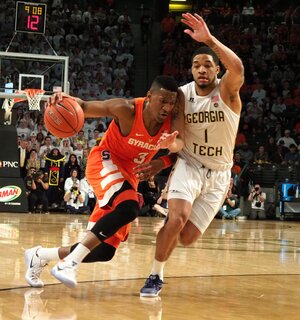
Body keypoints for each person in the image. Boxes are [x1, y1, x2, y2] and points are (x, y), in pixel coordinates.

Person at [24, 75, 185, 288]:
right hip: (104, 161)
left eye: (171, 102)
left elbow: (179, 149)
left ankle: (39, 255)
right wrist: (62, 99)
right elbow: (83, 106)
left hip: (129, 176)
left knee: (103, 251)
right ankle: (69, 264)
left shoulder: (171, 122)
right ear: (148, 97)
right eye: (162, 100)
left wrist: (161, 161)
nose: (167, 107)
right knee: (129, 208)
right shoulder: (126, 109)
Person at [140, 12, 244, 297]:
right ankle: (155, 275)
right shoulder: (183, 96)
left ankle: (169, 230)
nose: (201, 69)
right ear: (191, 70)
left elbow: (238, 68)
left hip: (220, 174)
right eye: (196, 65)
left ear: (216, 70)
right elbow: (179, 139)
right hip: (190, 164)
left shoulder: (227, 92)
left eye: (207, 65)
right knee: (178, 218)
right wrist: (170, 144)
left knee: (185, 238)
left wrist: (209, 40)